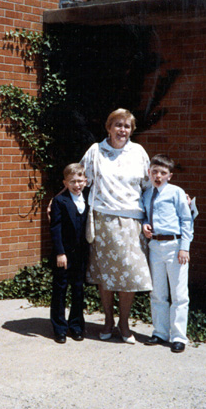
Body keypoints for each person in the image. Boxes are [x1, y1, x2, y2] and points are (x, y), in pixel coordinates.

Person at [80, 108, 152, 344]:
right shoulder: (95, 151)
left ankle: (124, 323)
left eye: (127, 126)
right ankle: (108, 320)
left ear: (132, 130)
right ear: (108, 127)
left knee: (129, 274)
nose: (122, 130)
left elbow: (148, 188)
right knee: (105, 275)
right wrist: (58, 201)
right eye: (118, 125)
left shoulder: (139, 152)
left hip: (131, 221)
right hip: (103, 220)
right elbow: (80, 181)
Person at [141, 154, 194, 353]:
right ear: (149, 172)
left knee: (179, 294)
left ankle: (178, 336)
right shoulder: (147, 194)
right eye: (154, 171)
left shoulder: (176, 193)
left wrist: (184, 247)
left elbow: (186, 220)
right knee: (158, 293)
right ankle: (160, 332)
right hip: (155, 246)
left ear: (169, 175)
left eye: (163, 173)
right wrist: (144, 225)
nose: (158, 176)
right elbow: (145, 216)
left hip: (175, 247)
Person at [49, 163, 89, 343]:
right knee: (61, 289)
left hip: (81, 253)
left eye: (80, 181)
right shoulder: (60, 201)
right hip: (64, 253)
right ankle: (59, 328)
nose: (77, 185)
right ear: (65, 182)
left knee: (78, 289)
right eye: (72, 181)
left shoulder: (88, 198)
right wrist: (60, 253)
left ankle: (76, 326)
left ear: (86, 181)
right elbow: (55, 228)